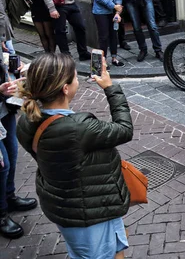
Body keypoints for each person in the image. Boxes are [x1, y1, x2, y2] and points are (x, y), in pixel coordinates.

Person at [17, 53, 132, 258]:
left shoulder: (26, 121)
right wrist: (109, 87)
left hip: (64, 205)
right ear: (65, 88)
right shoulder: (78, 128)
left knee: (105, 250)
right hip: (91, 209)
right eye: (75, 77)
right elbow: (124, 129)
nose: (77, 80)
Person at [0, 61, 37, 239]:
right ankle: (1, 213)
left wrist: (13, 67)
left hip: (3, 110)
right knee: (2, 165)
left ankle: (9, 197)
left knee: (12, 154)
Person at [92, 0, 125, 68]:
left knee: (114, 34)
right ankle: (103, 61)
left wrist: (117, 12)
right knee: (104, 36)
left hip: (114, 10)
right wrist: (113, 6)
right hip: (101, 11)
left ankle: (114, 58)